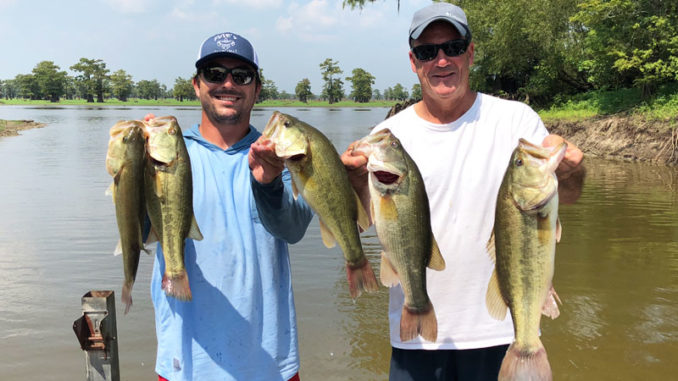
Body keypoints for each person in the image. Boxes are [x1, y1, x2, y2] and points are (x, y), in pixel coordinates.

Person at [341, 3, 585, 381]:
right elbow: (363, 222)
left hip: (500, 330)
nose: (441, 61)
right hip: (416, 335)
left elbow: (567, 195)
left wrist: (571, 169)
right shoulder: (388, 138)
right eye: (427, 52)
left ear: (470, 53)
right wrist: (353, 180)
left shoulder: (516, 121)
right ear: (413, 61)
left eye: (452, 48)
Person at [148, 32, 313, 381]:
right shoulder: (167, 155)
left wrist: (267, 184)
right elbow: (141, 233)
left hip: (269, 364)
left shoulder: (283, 154)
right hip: (184, 366)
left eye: (241, 76)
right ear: (196, 85)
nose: (227, 84)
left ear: (257, 88)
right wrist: (132, 168)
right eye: (214, 73)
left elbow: (294, 229)